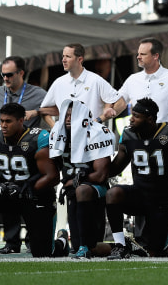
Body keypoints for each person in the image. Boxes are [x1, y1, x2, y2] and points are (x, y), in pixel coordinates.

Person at [106, 98, 168, 259]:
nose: (131, 119)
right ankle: (121, 245)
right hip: (140, 195)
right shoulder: (128, 134)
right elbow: (115, 168)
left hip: (163, 200)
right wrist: (95, 168)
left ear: (150, 119)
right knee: (114, 193)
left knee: (156, 253)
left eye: (136, 116)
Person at [0, 103, 59, 259]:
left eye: (8, 121)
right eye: (1, 121)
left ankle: (61, 243)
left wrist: (25, 189)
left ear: (21, 121)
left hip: (33, 196)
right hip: (7, 194)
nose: (3, 125)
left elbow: (52, 176)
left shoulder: (37, 138)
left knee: (42, 254)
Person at [49, 99, 115, 259]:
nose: (68, 119)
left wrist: (74, 181)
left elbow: (100, 175)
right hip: (73, 192)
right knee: (80, 248)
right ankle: (63, 241)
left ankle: (121, 244)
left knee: (82, 189)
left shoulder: (98, 132)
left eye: (73, 115)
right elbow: (54, 169)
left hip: (94, 190)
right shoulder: (57, 132)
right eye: (66, 115)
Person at [38, 43, 125, 128]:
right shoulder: (58, 82)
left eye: (68, 56)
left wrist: (99, 120)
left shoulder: (95, 80)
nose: (63, 60)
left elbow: (121, 103)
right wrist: (56, 129)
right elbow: (44, 110)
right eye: (63, 56)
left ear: (80, 59)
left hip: (92, 139)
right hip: (67, 141)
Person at [119, 38, 168, 124]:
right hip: (139, 135)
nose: (138, 57)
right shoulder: (132, 79)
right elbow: (118, 103)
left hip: (166, 135)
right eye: (138, 54)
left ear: (156, 56)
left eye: (143, 54)